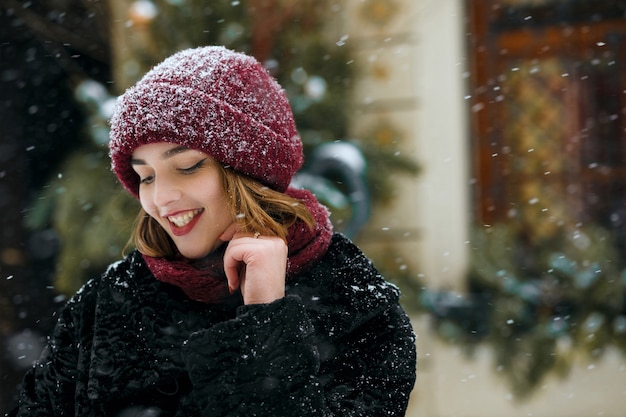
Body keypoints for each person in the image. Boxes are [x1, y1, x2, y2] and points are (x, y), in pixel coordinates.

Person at [10, 46, 416, 416]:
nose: (161, 198)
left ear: (249, 170)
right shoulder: (104, 306)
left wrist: (265, 318)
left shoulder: (356, 306)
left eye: (187, 167)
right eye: (145, 177)